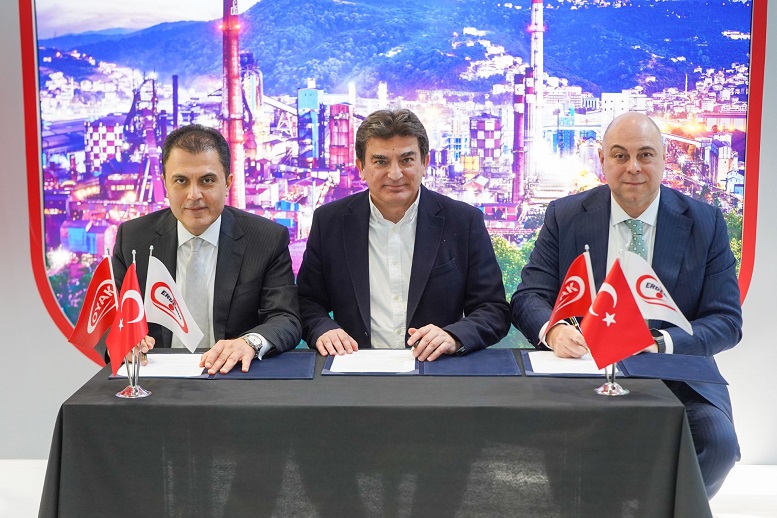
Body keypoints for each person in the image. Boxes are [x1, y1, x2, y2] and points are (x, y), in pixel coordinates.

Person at [511, 111, 742, 498]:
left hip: (676, 372)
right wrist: (554, 330)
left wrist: (659, 343)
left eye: (645, 155)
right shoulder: (565, 216)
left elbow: (726, 321)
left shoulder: (705, 222)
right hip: (585, 368)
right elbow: (528, 296)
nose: (633, 167)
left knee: (717, 444)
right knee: (558, 451)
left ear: (664, 158)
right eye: (620, 155)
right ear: (603, 161)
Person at [297, 108, 510, 361]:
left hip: (437, 368)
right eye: (381, 162)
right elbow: (307, 301)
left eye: (407, 160)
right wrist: (323, 329)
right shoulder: (329, 222)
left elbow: (493, 309)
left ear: (425, 163)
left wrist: (454, 336)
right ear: (361, 167)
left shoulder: (463, 221)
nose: (395, 174)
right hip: (354, 366)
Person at [109, 124, 301, 374]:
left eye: (207, 180)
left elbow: (285, 319)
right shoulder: (134, 239)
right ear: (165, 184)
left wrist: (249, 343)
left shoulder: (266, 239)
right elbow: (111, 319)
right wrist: (124, 339)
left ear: (228, 182)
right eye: (181, 181)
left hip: (233, 376)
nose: (194, 195)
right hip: (155, 379)